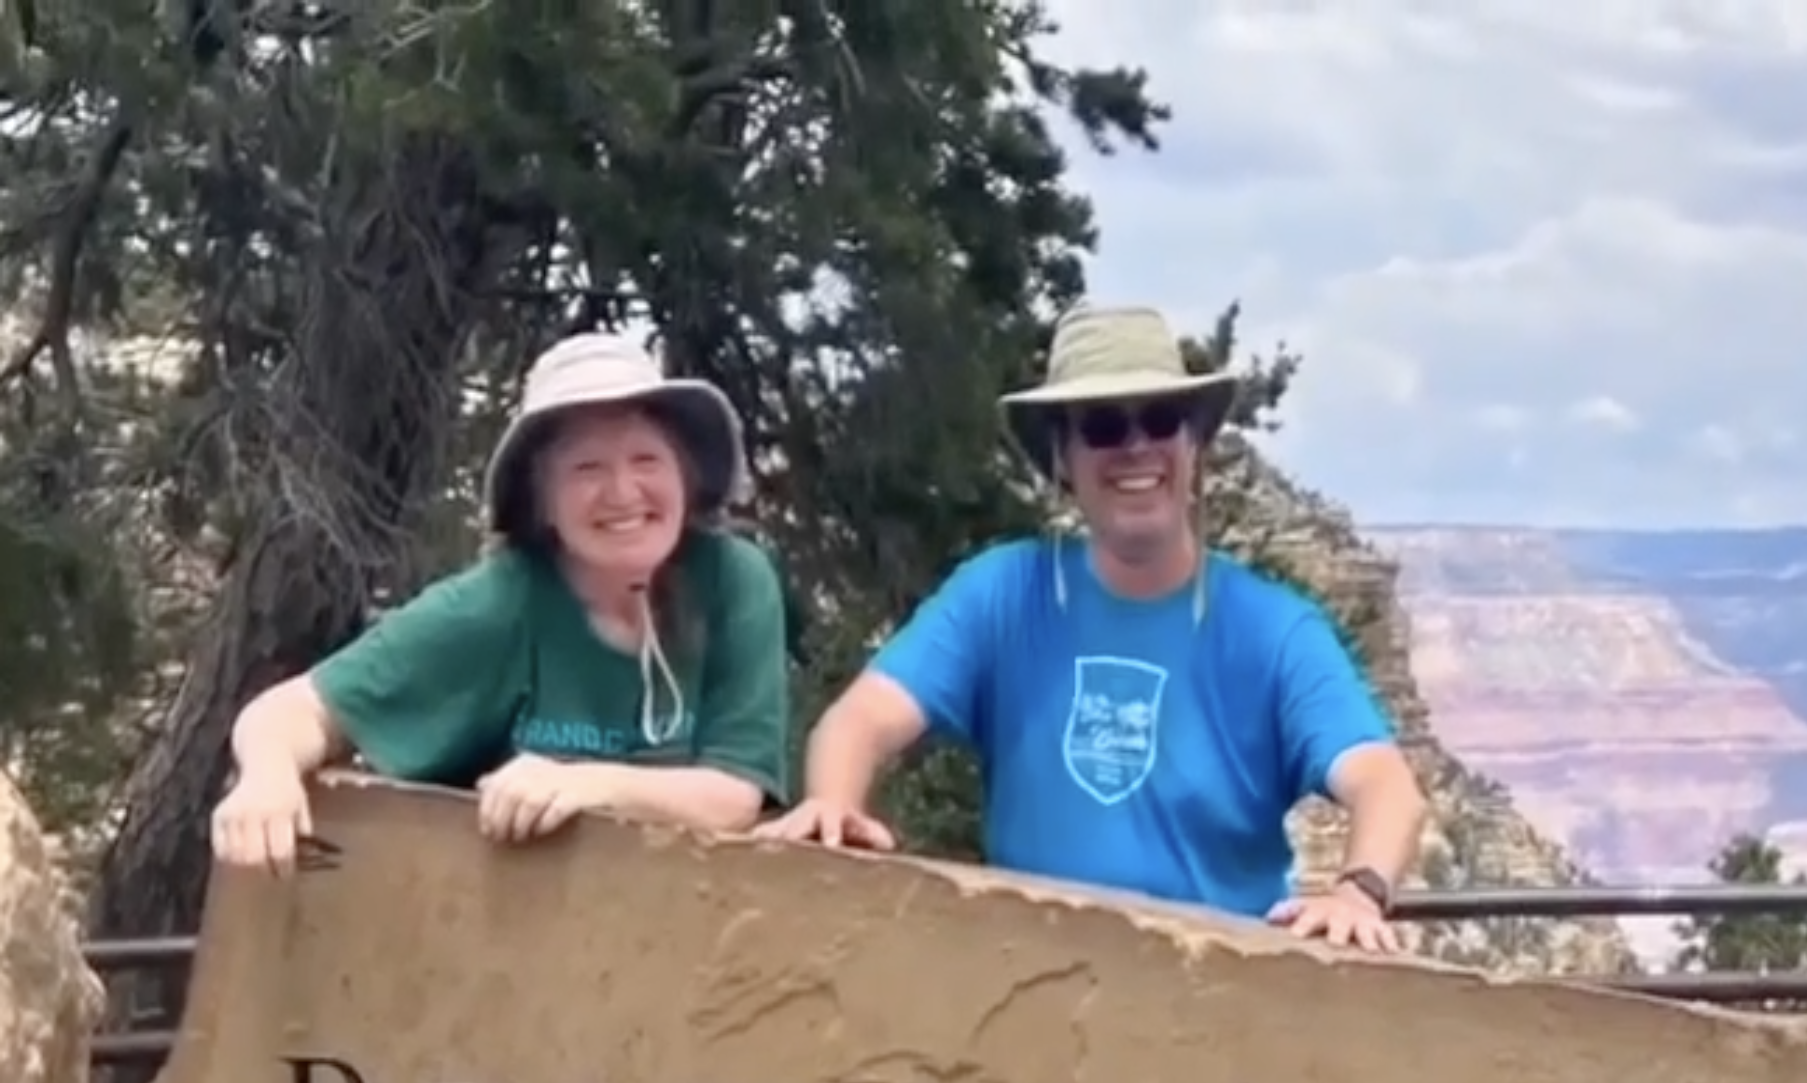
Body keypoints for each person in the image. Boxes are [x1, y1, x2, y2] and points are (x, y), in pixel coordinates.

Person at [758, 306, 1427, 951]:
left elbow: (1383, 784)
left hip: (1218, 1008)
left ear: (1193, 444)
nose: (1136, 446)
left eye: (1161, 420)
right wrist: (833, 804)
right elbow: (861, 720)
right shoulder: (1002, 595)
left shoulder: (1275, 631)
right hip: (1037, 995)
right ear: (1062, 459)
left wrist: (1357, 892)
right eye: (1104, 426)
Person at [210, 333, 792, 873]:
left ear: (686, 479)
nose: (622, 492)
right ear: (542, 501)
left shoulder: (733, 579)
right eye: (587, 467)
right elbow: (291, 713)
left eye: (646, 460)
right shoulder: (496, 603)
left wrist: (584, 785)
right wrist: (266, 779)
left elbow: (732, 795)